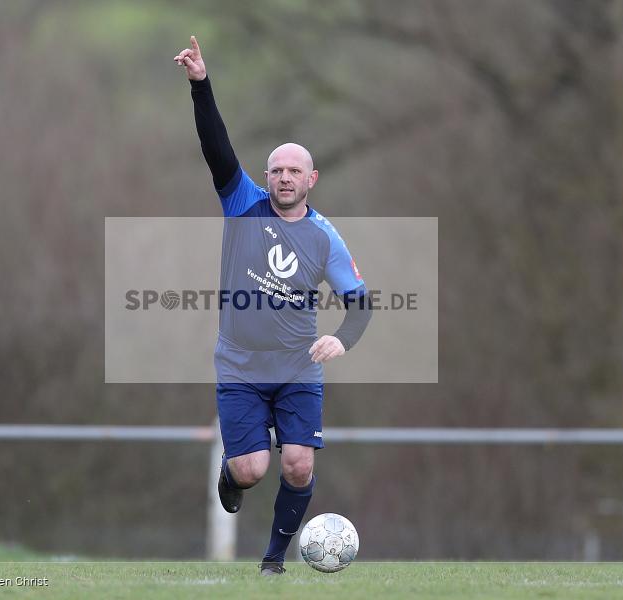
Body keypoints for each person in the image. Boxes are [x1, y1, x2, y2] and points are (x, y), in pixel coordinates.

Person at [174, 36, 371, 576]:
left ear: (311, 180)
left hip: (297, 368)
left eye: (294, 170)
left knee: (299, 465)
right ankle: (231, 476)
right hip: (239, 364)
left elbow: (360, 303)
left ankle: (272, 563)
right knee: (252, 468)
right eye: (276, 169)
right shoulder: (241, 205)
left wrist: (342, 338)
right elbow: (217, 147)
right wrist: (200, 85)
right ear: (268, 177)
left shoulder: (325, 237)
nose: (284, 177)